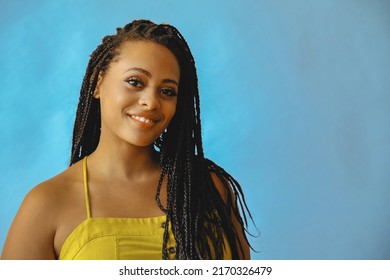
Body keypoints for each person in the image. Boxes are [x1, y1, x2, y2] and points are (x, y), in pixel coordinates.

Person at [1, 20, 253, 260]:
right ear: (97, 83)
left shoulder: (208, 186)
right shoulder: (46, 204)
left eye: (167, 91)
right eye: (135, 82)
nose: (151, 102)